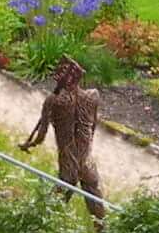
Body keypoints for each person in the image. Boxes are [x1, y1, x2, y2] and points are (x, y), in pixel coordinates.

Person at [23, 55, 105, 221]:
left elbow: (41, 136)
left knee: (58, 199)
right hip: (86, 157)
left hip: (68, 159)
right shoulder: (92, 96)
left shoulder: (52, 101)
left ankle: (45, 227)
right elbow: (93, 127)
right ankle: (102, 229)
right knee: (94, 197)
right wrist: (86, 146)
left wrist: (28, 144)